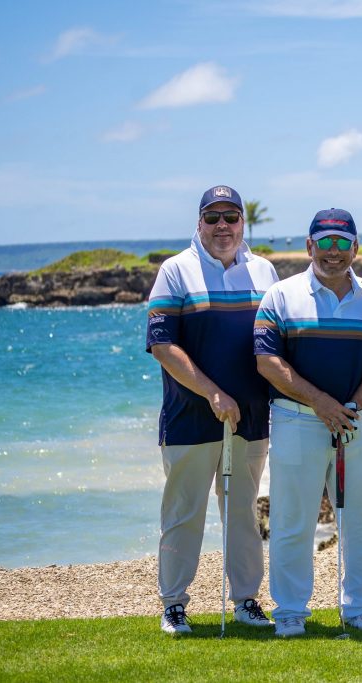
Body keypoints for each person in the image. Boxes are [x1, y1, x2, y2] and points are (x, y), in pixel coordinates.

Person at [255, 208, 362, 638]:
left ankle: (360, 609)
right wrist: (321, 403)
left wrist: (349, 408)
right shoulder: (281, 296)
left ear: (355, 247)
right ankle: (290, 611)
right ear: (309, 246)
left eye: (342, 243)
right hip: (296, 420)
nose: (333, 251)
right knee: (292, 519)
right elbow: (267, 362)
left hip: (358, 422)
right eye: (325, 242)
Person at [146, 185, 280, 634]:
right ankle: (173, 605)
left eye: (231, 217)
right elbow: (162, 346)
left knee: (243, 513)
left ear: (243, 222)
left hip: (252, 418)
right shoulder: (175, 271)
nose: (223, 226)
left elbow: (276, 341)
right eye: (213, 217)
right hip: (190, 417)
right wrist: (213, 394)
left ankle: (246, 600)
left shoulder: (264, 271)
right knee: (183, 515)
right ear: (199, 222)